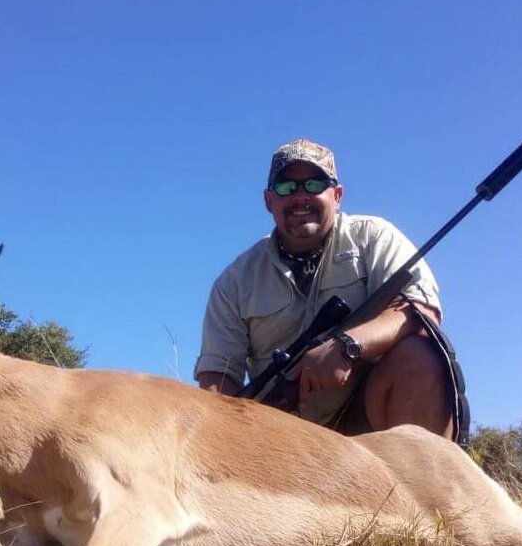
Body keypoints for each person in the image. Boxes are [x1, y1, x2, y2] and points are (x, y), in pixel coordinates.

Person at [194, 139, 468, 444]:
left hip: (367, 421)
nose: (300, 197)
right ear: (269, 201)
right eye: (286, 188)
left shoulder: (372, 237)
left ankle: (420, 488)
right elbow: (217, 377)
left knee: (419, 353)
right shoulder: (235, 280)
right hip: (276, 435)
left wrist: (347, 346)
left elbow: (423, 309)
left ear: (337, 195)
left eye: (314, 184)